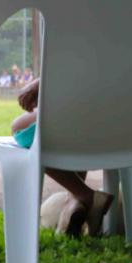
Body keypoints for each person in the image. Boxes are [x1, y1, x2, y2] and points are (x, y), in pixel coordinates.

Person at [11, 78, 114, 236]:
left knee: (21, 129)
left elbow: (81, 63)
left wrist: (40, 83)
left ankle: (86, 195)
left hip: (83, 115)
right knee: (76, 131)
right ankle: (74, 202)